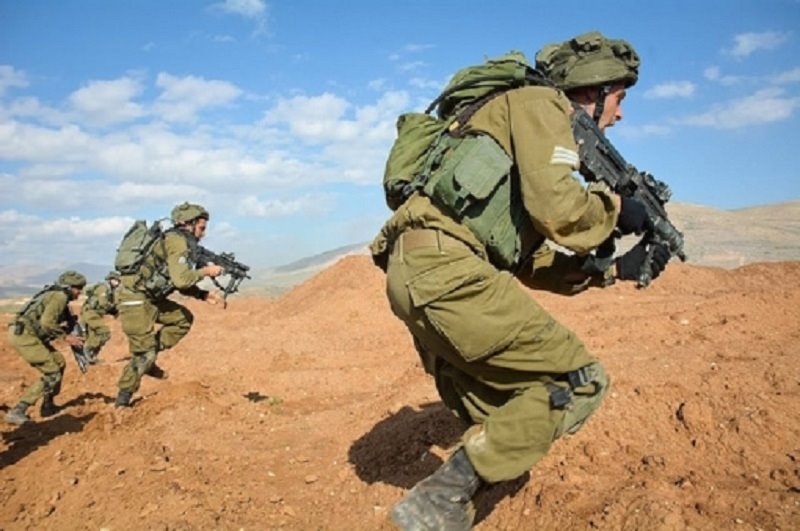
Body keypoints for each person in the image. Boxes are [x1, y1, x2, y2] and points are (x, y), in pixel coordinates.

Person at [370, 31, 671, 530]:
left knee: (508, 411)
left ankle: (448, 508)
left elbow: (528, 260)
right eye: (619, 98)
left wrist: (613, 269)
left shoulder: (508, 121)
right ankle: (438, 501)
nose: (620, 115)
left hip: (418, 274)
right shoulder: (540, 103)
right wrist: (617, 209)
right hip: (449, 274)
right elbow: (560, 210)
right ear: (593, 89)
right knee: (576, 381)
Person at [114, 202, 223, 408]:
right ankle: (123, 398)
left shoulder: (179, 240)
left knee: (182, 319)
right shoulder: (177, 242)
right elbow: (181, 280)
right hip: (135, 299)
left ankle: (148, 358)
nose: (204, 233)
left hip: (151, 298)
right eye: (201, 228)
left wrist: (202, 294)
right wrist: (206, 272)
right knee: (144, 353)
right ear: (188, 224)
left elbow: (174, 280)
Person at [5, 270, 87, 425]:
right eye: (78, 288)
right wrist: (66, 337)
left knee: (59, 362)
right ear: (69, 287)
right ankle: (19, 410)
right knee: (52, 372)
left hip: (28, 333)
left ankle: (47, 405)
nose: (80, 292)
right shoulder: (60, 296)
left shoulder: (55, 294)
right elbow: (47, 323)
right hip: (25, 336)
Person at [78, 271, 121, 364]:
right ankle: (88, 348)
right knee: (104, 333)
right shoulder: (103, 288)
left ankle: (91, 358)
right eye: (116, 280)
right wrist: (113, 309)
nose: (118, 282)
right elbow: (103, 303)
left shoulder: (111, 290)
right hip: (91, 313)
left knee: (93, 336)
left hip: (96, 314)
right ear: (111, 279)